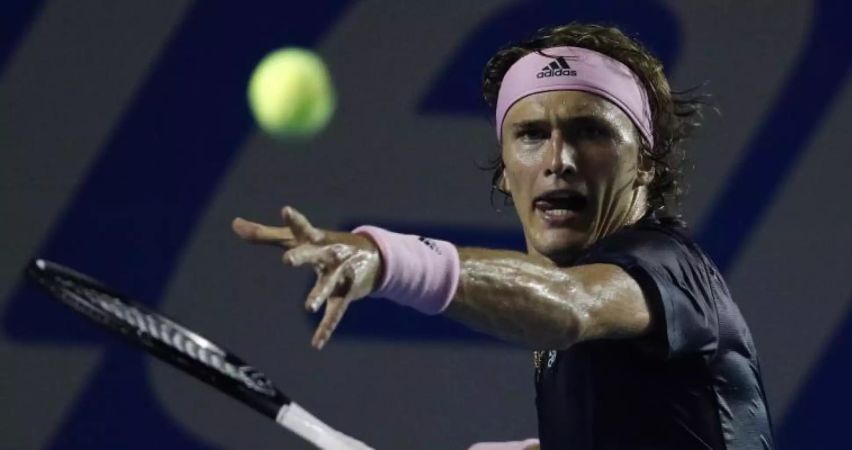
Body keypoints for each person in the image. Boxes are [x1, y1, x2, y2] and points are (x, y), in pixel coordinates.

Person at [233, 23, 776, 450]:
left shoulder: (666, 263)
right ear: (504, 169)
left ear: (648, 165)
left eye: (591, 132)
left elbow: (572, 305)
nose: (559, 160)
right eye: (533, 135)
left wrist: (389, 258)